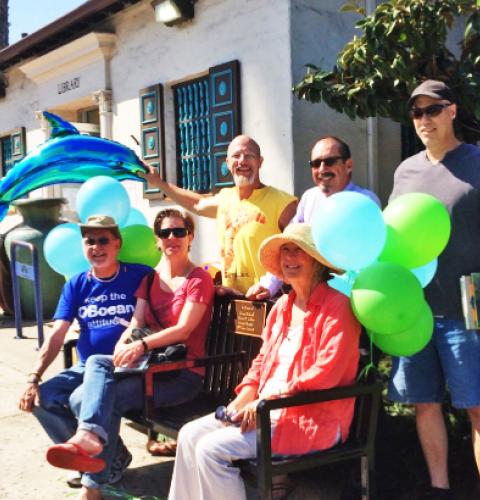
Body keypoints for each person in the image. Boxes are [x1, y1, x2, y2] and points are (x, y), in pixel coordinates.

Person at [168, 223, 361, 500]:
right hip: (267, 410)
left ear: (317, 261)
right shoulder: (282, 306)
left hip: (311, 418)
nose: (290, 258)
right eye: (285, 251)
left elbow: (326, 373)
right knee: (188, 435)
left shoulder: (338, 306)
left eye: (299, 251)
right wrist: (242, 399)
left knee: (211, 451)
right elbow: (261, 363)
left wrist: (266, 400)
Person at [45, 208, 215, 500]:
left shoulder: (198, 279)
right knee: (94, 369)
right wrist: (124, 345)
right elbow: (136, 323)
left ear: (191, 237)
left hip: (182, 375)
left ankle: (92, 485)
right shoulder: (149, 279)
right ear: (157, 240)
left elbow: (185, 329)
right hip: (152, 369)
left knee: (102, 398)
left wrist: (142, 346)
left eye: (179, 232)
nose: (171, 238)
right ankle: (94, 444)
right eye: (165, 233)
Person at [387, 80, 480, 500]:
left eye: (433, 109)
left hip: (469, 309)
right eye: (417, 113)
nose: (424, 119)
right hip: (415, 311)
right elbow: (391, 234)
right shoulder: (405, 171)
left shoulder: (477, 162)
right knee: (423, 403)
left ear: (453, 111)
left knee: (477, 409)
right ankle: (439, 490)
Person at [18, 215, 152, 486]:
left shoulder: (140, 274)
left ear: (117, 243)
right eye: (90, 241)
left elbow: (171, 295)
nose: (96, 247)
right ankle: (102, 457)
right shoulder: (76, 284)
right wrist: (34, 377)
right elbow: (57, 334)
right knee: (43, 397)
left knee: (81, 398)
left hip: (126, 366)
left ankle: (98, 460)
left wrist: (215, 285)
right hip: (87, 365)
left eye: (103, 240)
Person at [142, 135, 297, 295]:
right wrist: (159, 183)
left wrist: (271, 286)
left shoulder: (284, 204)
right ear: (228, 163)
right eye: (236, 156)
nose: (242, 161)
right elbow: (196, 203)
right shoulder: (225, 198)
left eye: (249, 155)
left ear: (260, 162)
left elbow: (298, 252)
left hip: (269, 301)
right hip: (233, 302)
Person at [247, 135, 380, 300]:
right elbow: (290, 241)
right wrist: (268, 285)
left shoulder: (365, 202)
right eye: (316, 163)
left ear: (348, 165)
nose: (322, 168)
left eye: (330, 161)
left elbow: (370, 258)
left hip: (353, 298)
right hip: (312, 297)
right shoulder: (309, 198)